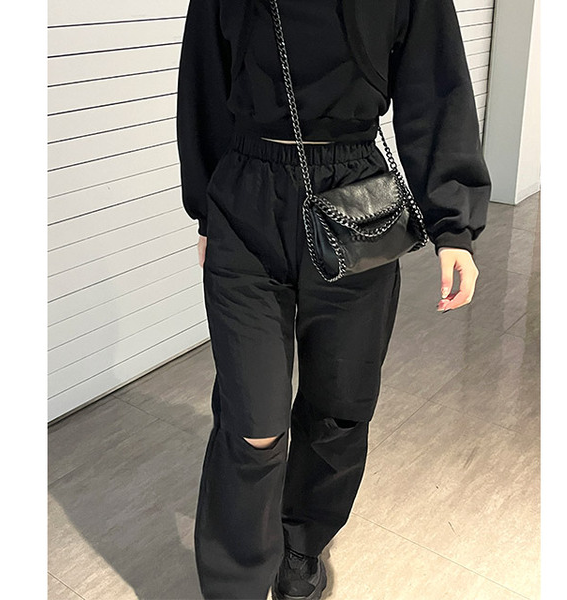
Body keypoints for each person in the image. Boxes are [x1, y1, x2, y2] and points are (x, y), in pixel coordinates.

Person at [176, 0, 491, 598]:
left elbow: (435, 86)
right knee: (253, 421)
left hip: (356, 195)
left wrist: (453, 227)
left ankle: (301, 543)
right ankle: (235, 585)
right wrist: (207, 211)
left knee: (340, 405)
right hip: (246, 197)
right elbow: (203, 81)